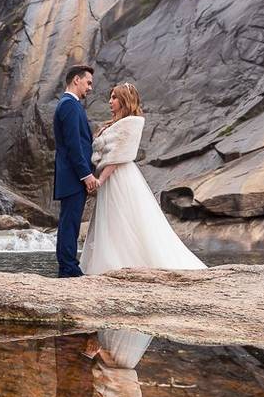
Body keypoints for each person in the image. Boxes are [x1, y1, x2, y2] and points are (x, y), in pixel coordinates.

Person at [80, 82, 206, 273]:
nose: (110, 101)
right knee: (113, 220)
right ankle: (112, 262)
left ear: (124, 101)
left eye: (114, 97)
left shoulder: (131, 123)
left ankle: (122, 264)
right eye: (111, 97)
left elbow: (118, 156)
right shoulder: (113, 123)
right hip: (111, 176)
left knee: (123, 218)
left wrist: (100, 181)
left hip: (119, 176)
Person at [53, 65, 99, 278]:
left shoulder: (71, 105)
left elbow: (81, 140)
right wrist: (86, 174)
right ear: (76, 81)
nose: (90, 87)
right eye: (88, 82)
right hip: (73, 176)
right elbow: (73, 145)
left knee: (69, 221)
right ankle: (68, 269)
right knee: (70, 223)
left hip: (71, 175)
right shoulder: (69, 105)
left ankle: (68, 266)